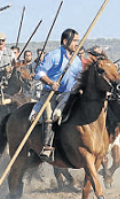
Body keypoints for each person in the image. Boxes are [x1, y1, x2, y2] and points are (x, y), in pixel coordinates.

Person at [31, 29, 82, 161]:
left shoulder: (76, 60)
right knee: (49, 113)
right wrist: (50, 82)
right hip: (51, 93)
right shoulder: (53, 56)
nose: (77, 43)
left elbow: (80, 77)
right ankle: (47, 146)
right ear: (65, 41)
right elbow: (40, 72)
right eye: (75, 41)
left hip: (69, 94)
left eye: (78, 40)